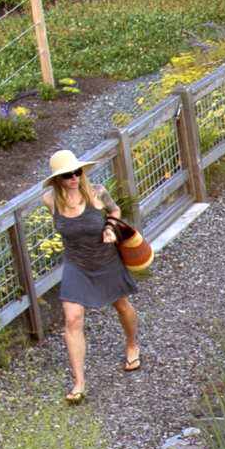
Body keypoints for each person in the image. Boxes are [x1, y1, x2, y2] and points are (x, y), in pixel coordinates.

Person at [42, 150, 142, 402]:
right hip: (76, 264)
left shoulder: (97, 192)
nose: (75, 177)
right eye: (68, 175)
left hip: (106, 259)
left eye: (78, 172)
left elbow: (115, 210)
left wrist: (109, 227)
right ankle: (79, 383)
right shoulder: (50, 200)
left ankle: (132, 344)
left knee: (121, 305)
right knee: (72, 319)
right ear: (57, 179)